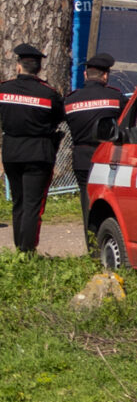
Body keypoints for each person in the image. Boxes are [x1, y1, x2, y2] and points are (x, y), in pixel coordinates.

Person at [1, 43, 64, 255]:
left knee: (18, 202)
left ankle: (20, 249)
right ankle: (26, 252)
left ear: (19, 66)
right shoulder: (49, 94)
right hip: (39, 152)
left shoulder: (4, 90)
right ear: (38, 69)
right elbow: (58, 119)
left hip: (12, 151)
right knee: (32, 205)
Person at [63, 54, 126, 203]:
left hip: (82, 158)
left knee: (86, 201)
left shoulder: (70, 99)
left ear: (85, 75)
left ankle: (87, 226)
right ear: (105, 76)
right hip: (107, 157)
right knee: (108, 201)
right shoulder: (116, 97)